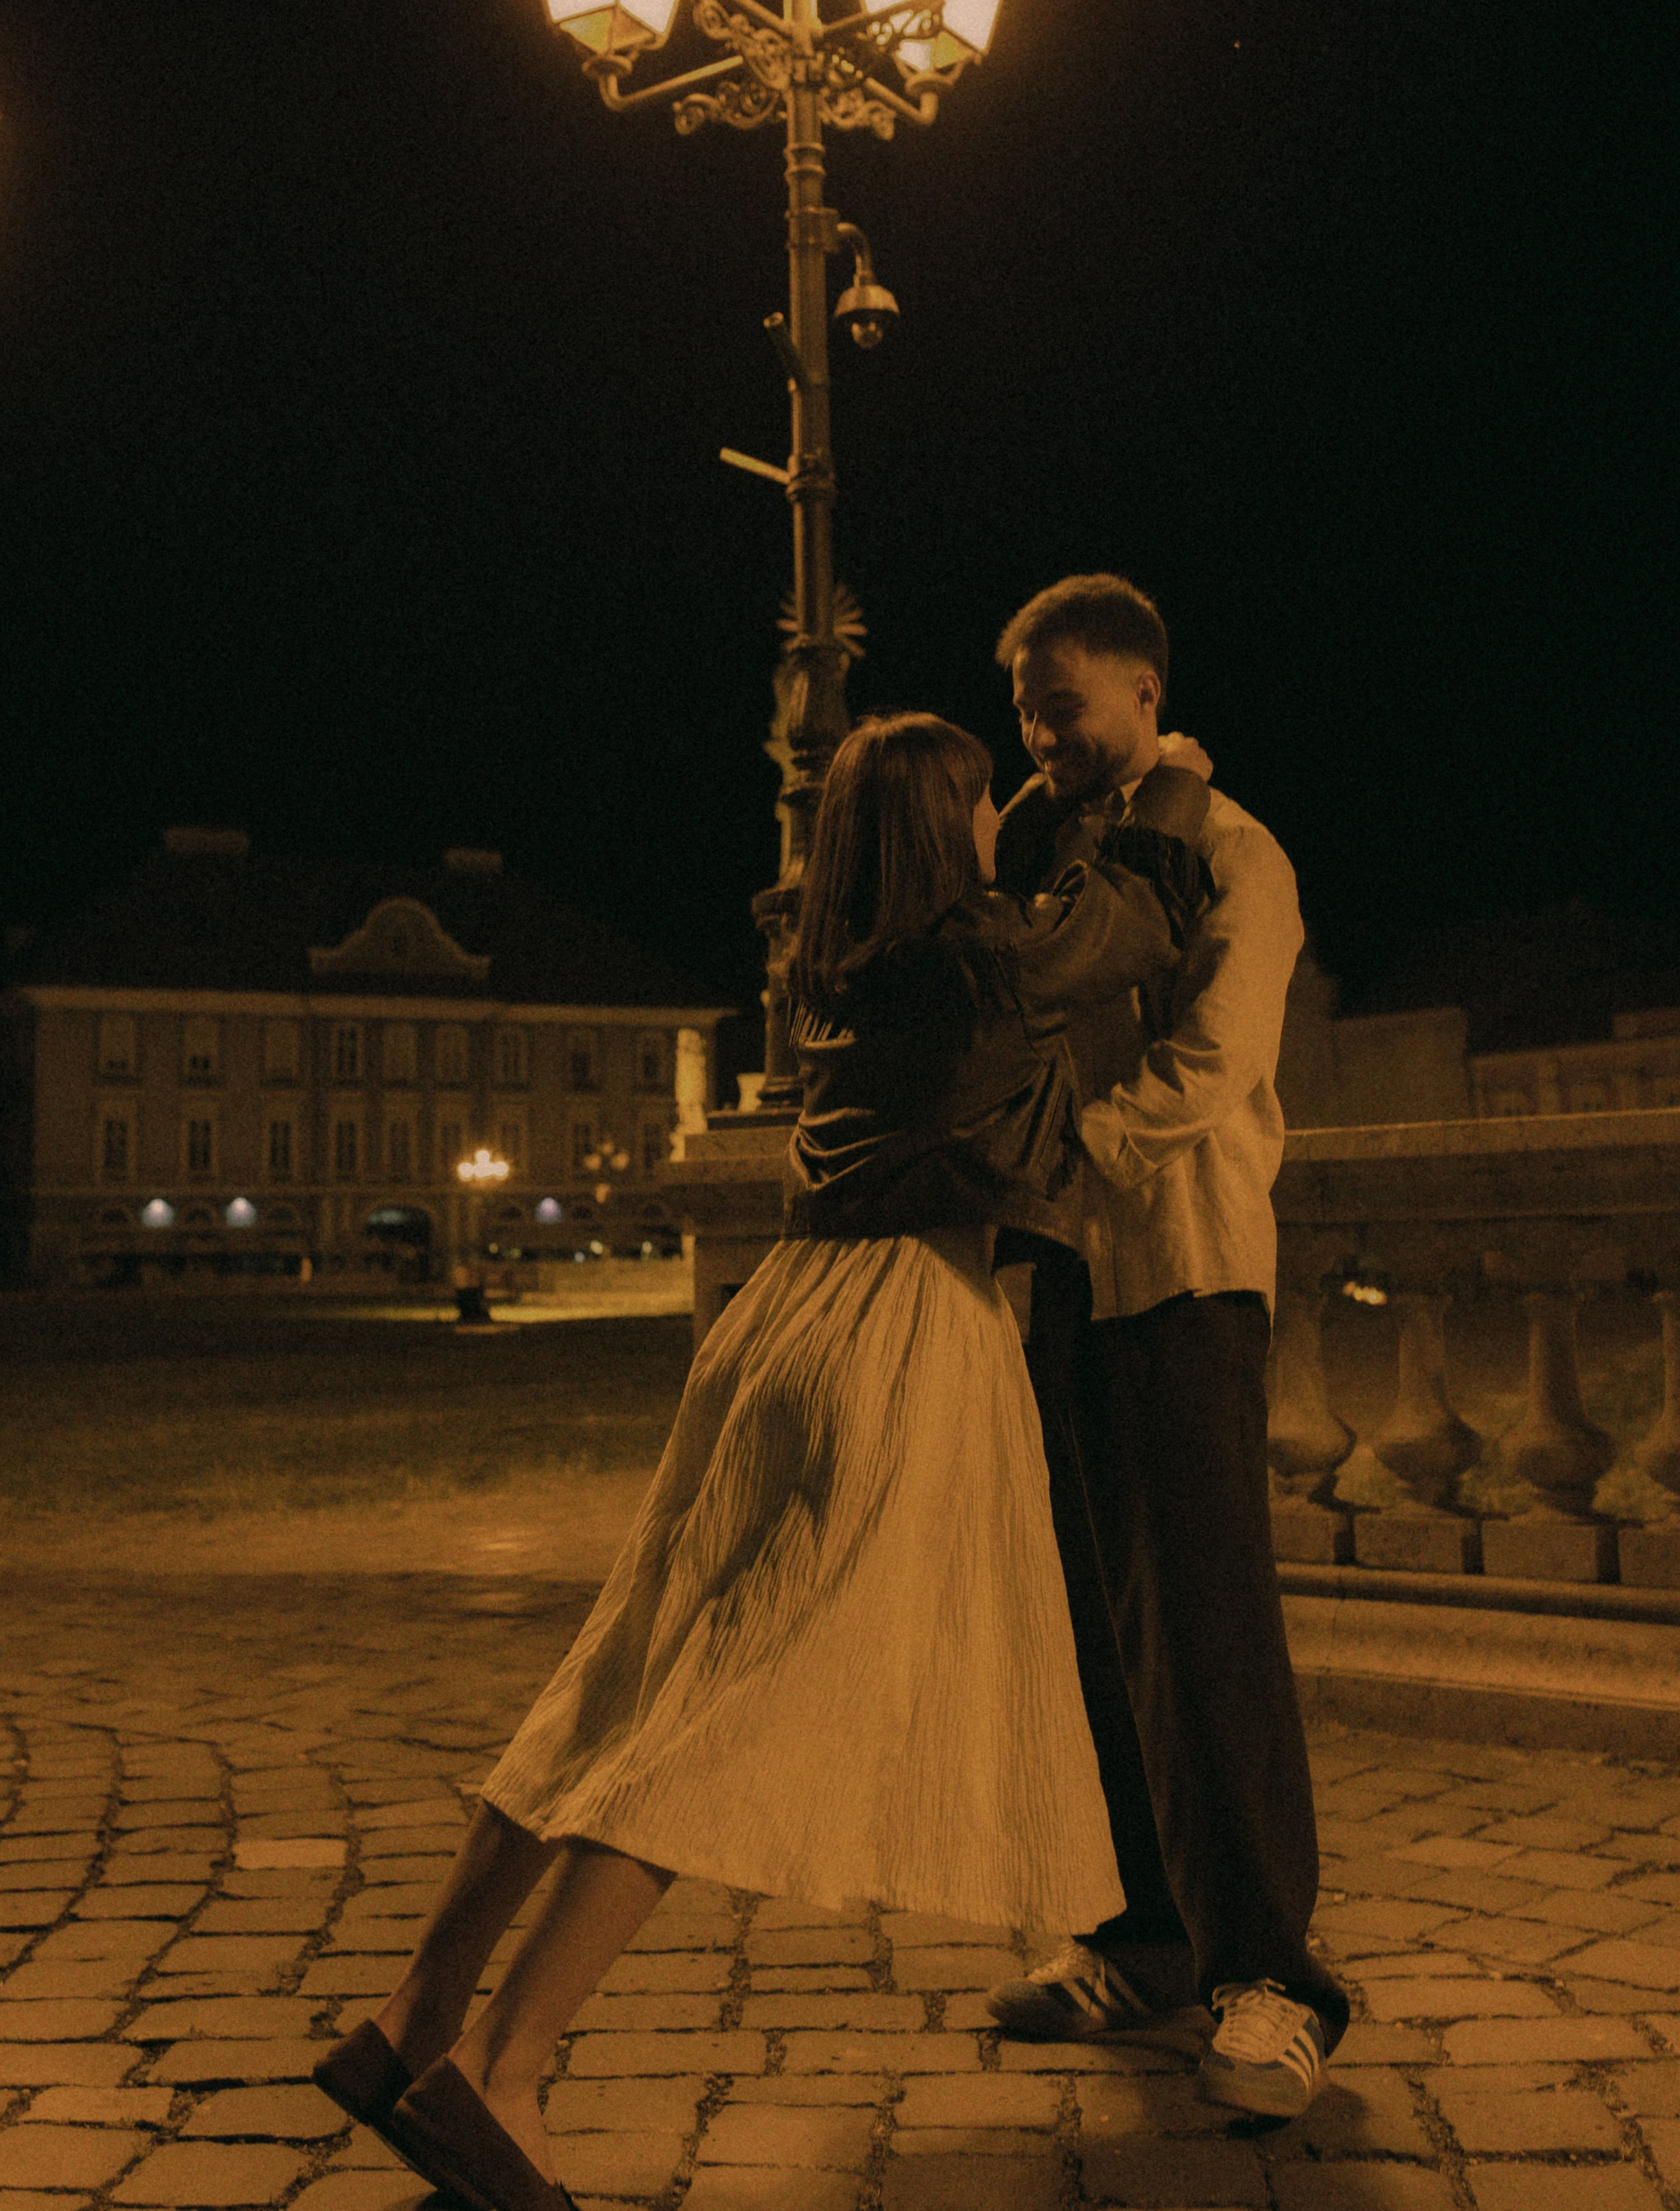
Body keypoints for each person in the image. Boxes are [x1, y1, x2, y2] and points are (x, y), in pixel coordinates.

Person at [311, 709, 1210, 2211]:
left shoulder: (849, 967)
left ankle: (412, 2016)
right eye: (983, 801)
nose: (999, 821)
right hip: (895, 1332)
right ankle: (507, 2068)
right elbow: (1103, 935)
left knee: (628, 1677)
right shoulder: (976, 956)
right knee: (732, 1730)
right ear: (944, 825)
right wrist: (1167, 787)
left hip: (778, 1325)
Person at [984, 573, 1348, 2120]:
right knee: (1088, 1628)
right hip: (1067, 1279)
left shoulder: (1231, 852)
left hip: (1184, 1273)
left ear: (1139, 692)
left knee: (1203, 1633)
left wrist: (1053, 1171)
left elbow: (1213, 1069)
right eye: (1023, 711)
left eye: (1059, 704)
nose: (1040, 735)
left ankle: (1273, 1978)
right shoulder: (1056, 860)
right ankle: (1135, 1937)